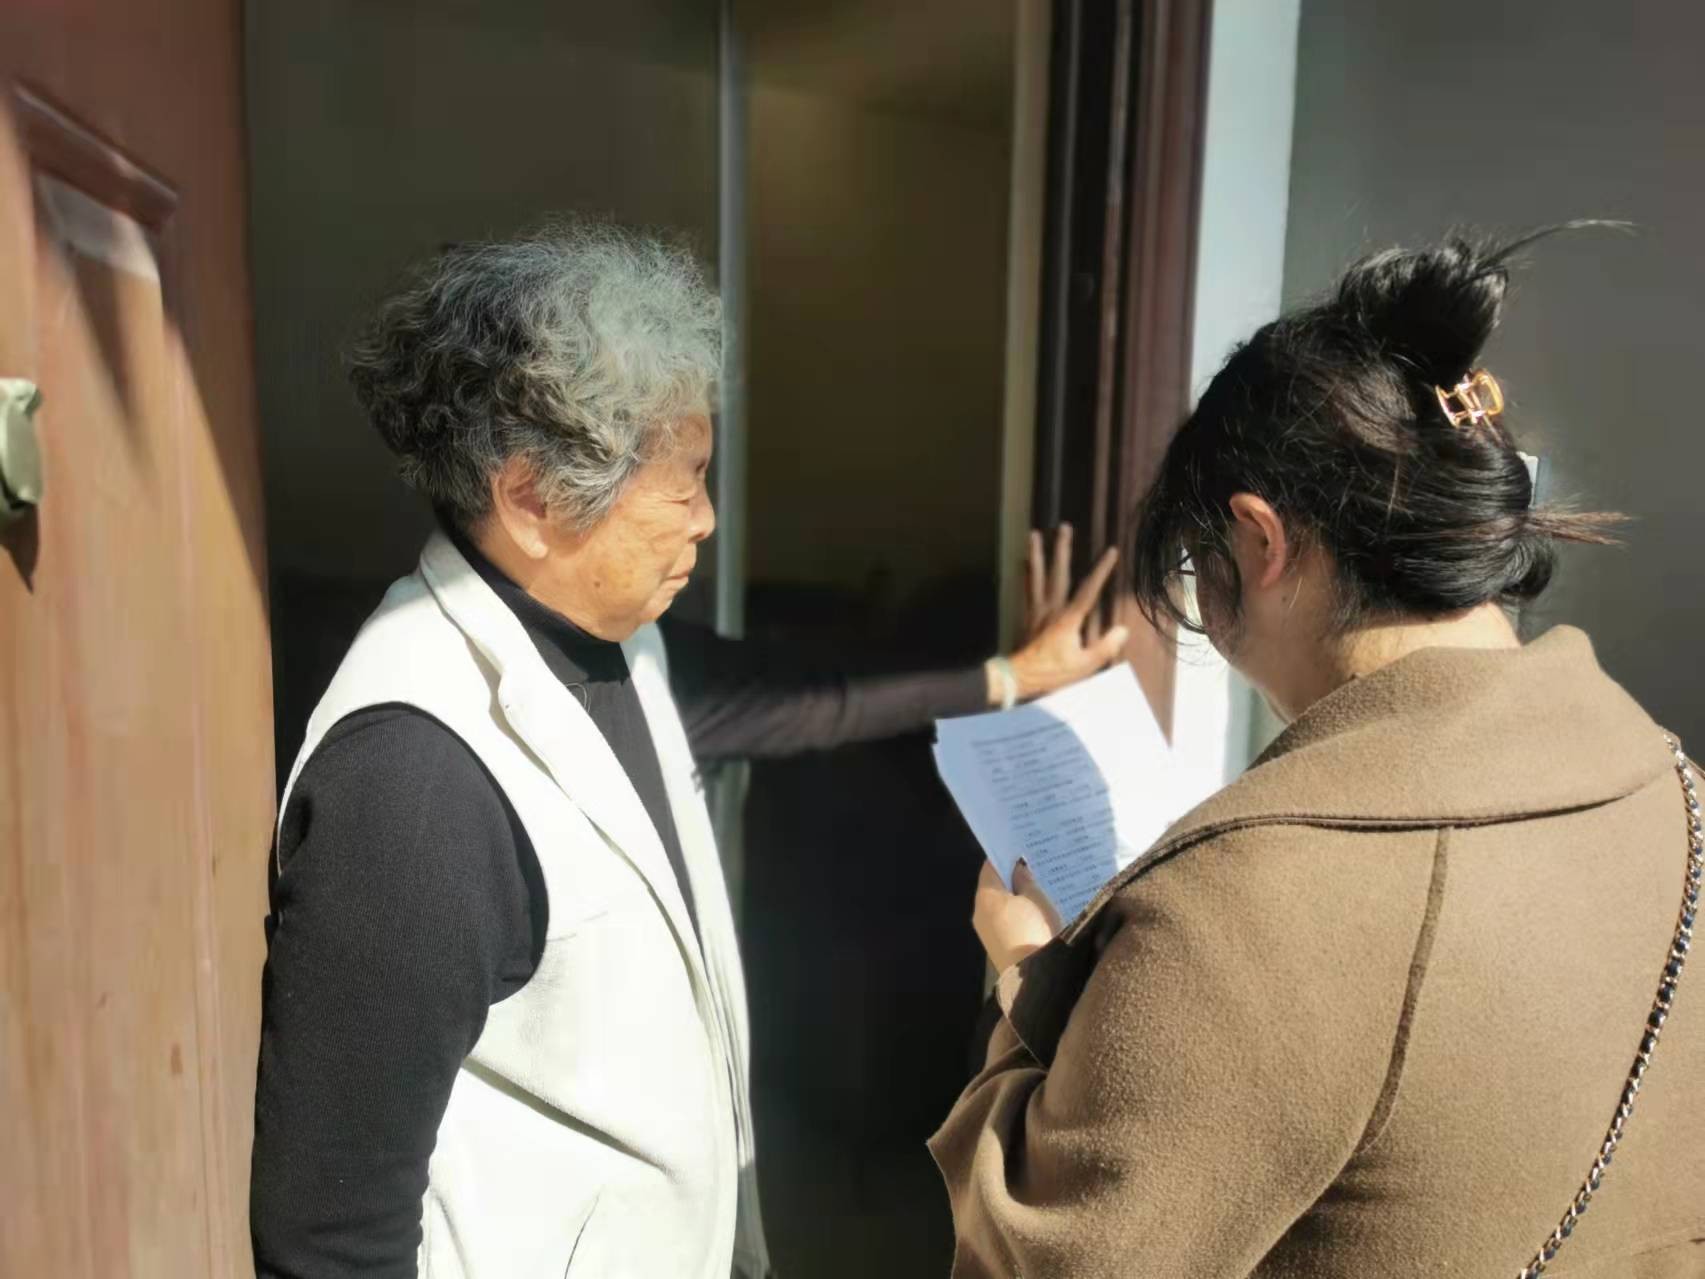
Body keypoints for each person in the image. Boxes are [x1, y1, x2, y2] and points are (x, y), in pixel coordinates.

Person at [248, 222, 1126, 1279]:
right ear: (530, 498)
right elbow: (328, 1238)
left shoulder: (618, 648)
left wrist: (1013, 675)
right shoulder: (412, 781)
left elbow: (810, 699)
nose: (706, 521)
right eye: (685, 482)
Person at [935, 230, 1705, 1277]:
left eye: (1197, 562)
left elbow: (1044, 1259)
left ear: (1259, 540)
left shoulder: (1240, 910)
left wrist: (1024, 978)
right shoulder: (1676, 796)